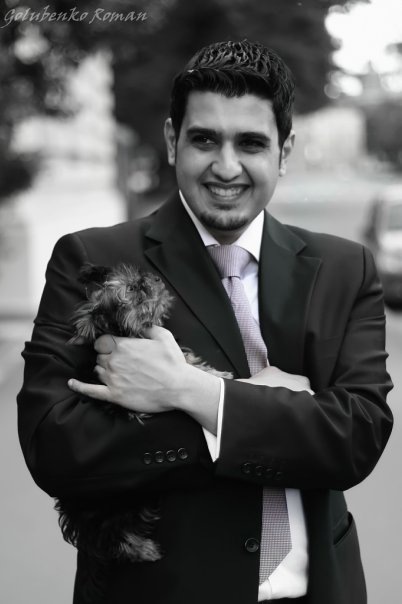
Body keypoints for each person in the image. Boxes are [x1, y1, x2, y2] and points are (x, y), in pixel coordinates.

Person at [17, 40, 393, 604]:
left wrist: (189, 392)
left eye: (251, 143)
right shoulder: (92, 259)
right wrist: (253, 408)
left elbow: (356, 437)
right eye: (205, 140)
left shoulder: (345, 267)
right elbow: (53, 446)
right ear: (173, 141)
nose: (226, 167)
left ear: (285, 150)